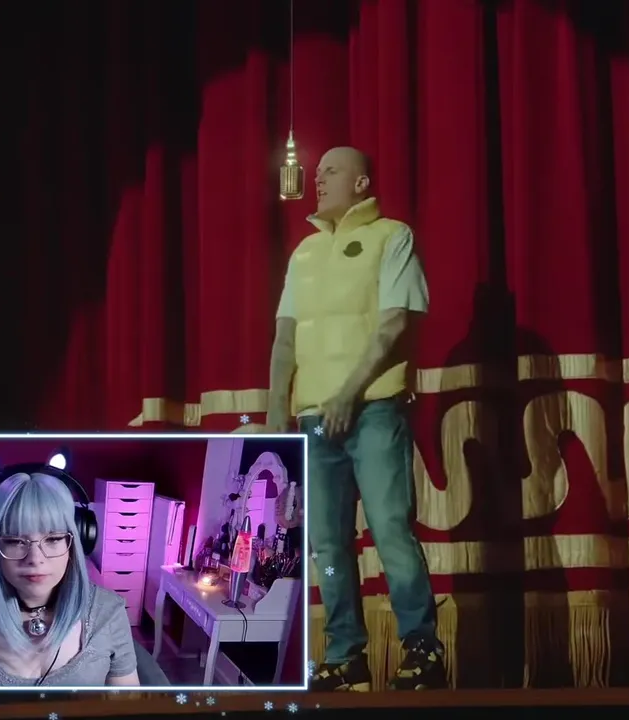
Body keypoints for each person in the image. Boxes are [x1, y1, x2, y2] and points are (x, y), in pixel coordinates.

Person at [267, 146, 445, 691]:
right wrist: (276, 416)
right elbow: (285, 338)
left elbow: (393, 325)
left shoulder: (392, 237)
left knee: (390, 528)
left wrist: (349, 392)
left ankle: (422, 647)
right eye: (317, 172)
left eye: (331, 171)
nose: (318, 179)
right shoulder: (304, 253)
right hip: (314, 419)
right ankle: (345, 654)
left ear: (362, 183)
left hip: (374, 408)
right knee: (326, 544)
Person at [0, 473, 140, 687]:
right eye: (15, 541)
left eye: (53, 539)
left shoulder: (109, 611)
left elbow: (127, 702)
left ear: (76, 543)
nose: (35, 559)